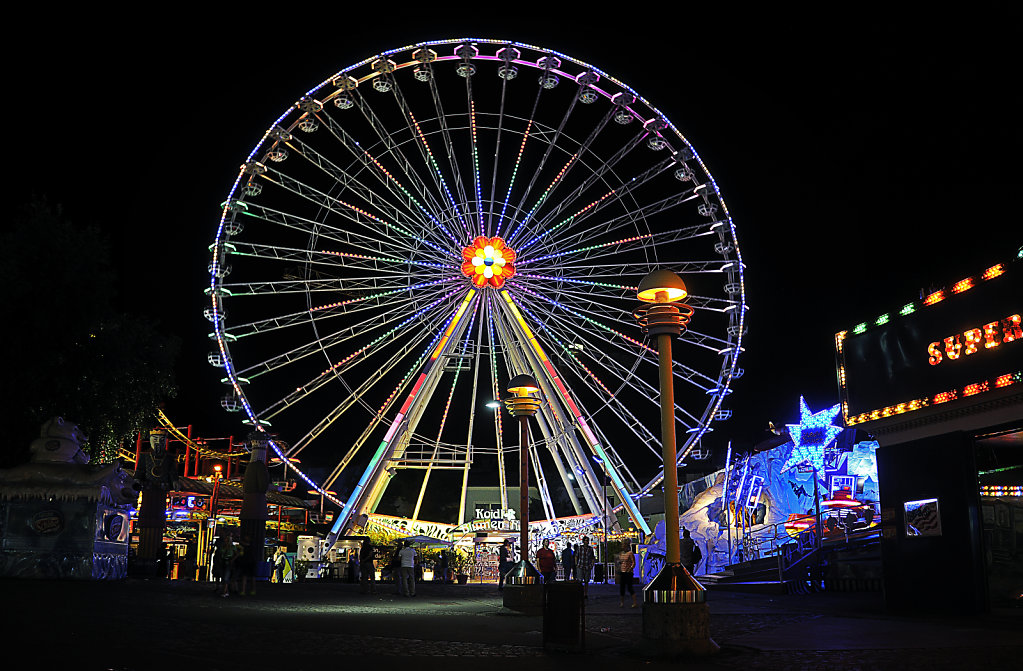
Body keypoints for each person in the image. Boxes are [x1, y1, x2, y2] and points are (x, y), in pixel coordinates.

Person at [617, 544, 637, 608]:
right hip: (622, 571)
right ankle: (622, 602)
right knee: (622, 588)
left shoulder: (630, 553)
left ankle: (634, 602)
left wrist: (630, 569)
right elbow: (620, 561)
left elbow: (633, 562)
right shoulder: (621, 553)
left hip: (628, 572)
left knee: (630, 587)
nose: (623, 548)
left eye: (624, 546)